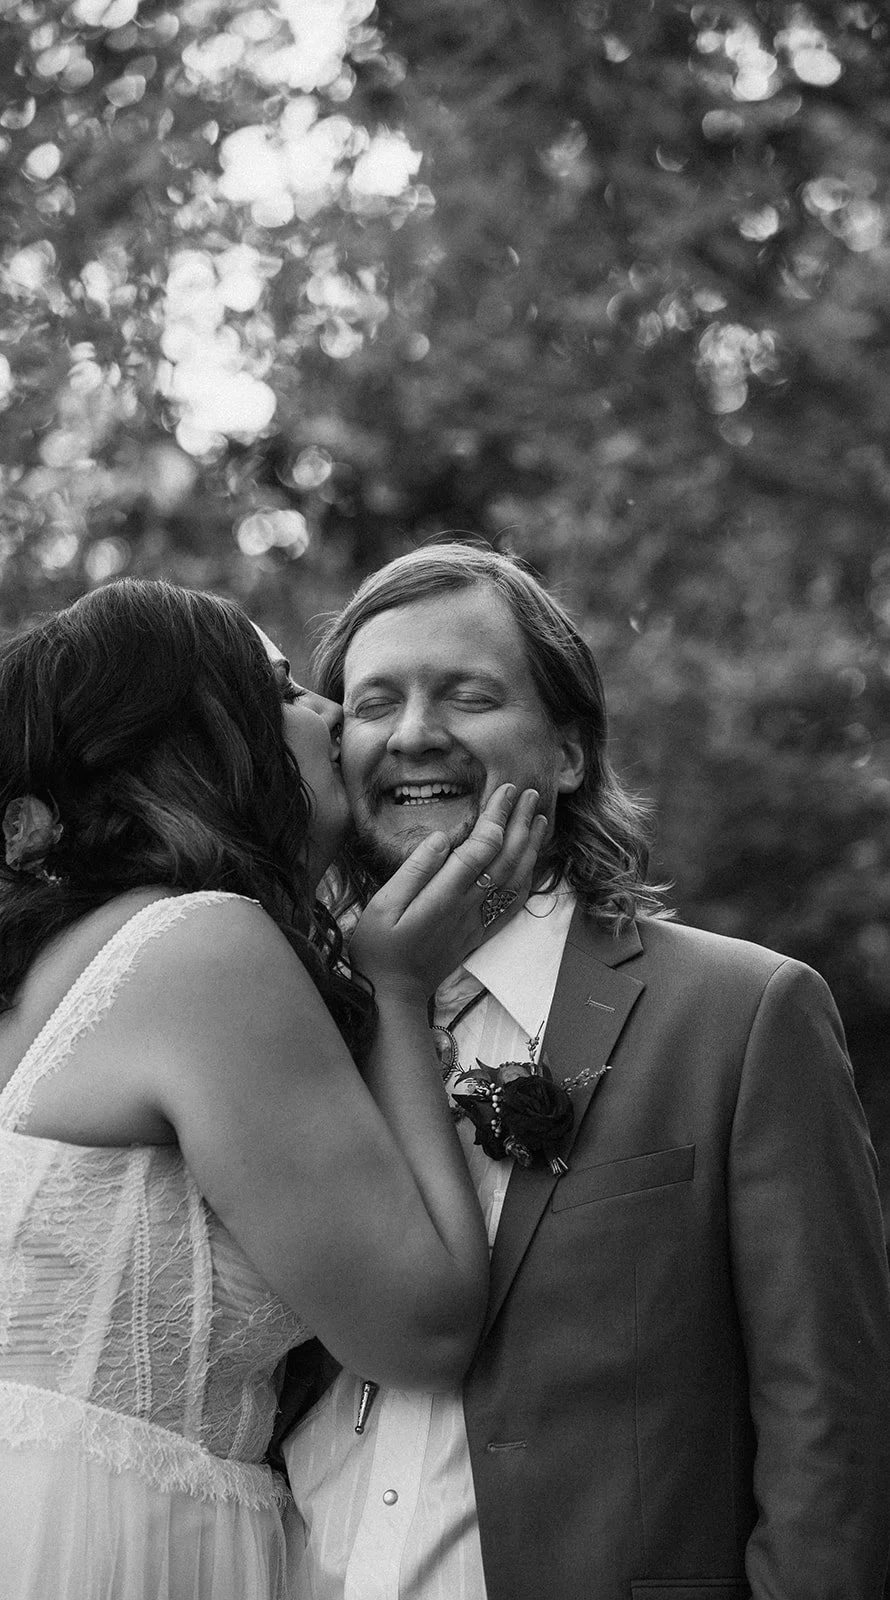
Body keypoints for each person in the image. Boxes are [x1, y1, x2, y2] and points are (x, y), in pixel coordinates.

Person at [277, 542, 890, 1600]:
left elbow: (828, 1435)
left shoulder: (742, 1016)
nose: (414, 733)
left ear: (567, 752)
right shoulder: (282, 1025)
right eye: (372, 703)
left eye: (466, 694)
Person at [0, 577, 544, 1600]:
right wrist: (393, 985)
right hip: (110, 1542)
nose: (331, 713)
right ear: (196, 738)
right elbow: (421, 1328)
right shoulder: (200, 948)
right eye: (284, 690)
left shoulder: (48, 964)